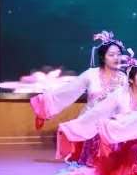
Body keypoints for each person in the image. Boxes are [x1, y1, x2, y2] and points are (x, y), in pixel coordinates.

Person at [31, 30, 129, 166]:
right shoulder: (91, 74)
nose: (116, 58)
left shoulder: (124, 78)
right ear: (103, 57)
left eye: (118, 54)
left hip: (113, 124)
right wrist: (44, 107)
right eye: (111, 55)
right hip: (90, 122)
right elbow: (68, 91)